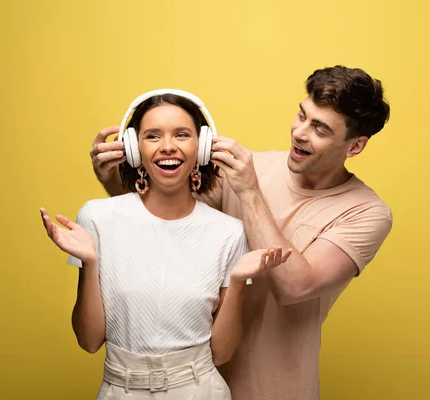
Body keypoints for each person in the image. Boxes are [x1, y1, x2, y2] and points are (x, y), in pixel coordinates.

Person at [90, 66, 393, 399]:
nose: (300, 133)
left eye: (319, 129)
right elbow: (167, 221)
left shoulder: (366, 212)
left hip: (277, 387)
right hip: (195, 383)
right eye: (301, 116)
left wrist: (250, 192)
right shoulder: (252, 167)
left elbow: (295, 285)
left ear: (354, 146)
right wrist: (114, 182)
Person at [40, 90, 291, 400]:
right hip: (120, 390)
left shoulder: (229, 233)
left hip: (201, 390)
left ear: (201, 148)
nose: (168, 146)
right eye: (153, 136)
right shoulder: (97, 217)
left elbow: (221, 353)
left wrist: (237, 281)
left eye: (182, 134)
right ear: (134, 149)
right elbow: (89, 341)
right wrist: (91, 262)